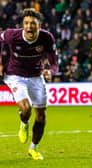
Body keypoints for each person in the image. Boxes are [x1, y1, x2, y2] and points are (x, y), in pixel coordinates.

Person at [0, 8, 58, 159]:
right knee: (26, 108)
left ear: (39, 25)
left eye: (32, 23)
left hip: (36, 77)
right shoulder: (13, 35)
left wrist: (51, 71)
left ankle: (34, 148)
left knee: (41, 116)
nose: (28, 27)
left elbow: (54, 62)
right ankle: (24, 123)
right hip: (15, 75)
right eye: (26, 23)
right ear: (22, 25)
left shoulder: (47, 38)